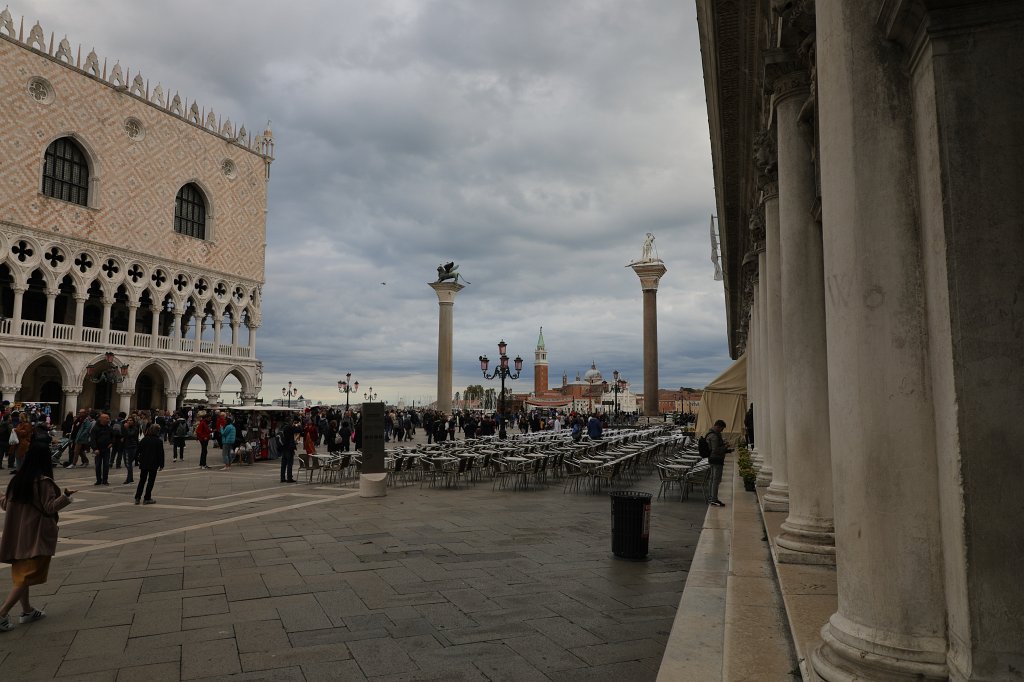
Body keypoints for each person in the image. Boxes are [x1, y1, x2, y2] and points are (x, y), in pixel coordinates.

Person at [0, 440, 75, 631]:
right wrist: (65, 497)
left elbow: (6, 504)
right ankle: (2, 614)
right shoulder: (43, 482)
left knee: (22, 575)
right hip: (36, 535)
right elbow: (50, 507)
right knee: (27, 576)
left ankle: (27, 611)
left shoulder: (17, 480)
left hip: (17, 536)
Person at [705, 419, 733, 507]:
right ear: (718, 426)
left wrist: (726, 449)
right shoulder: (714, 436)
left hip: (713, 459)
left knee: (713, 479)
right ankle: (713, 499)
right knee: (715, 480)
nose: (722, 430)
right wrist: (725, 447)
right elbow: (715, 450)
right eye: (722, 429)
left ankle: (711, 497)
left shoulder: (712, 434)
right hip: (716, 459)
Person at [134, 425, 164, 505]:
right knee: (151, 481)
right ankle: (147, 498)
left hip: (144, 463)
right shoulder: (159, 441)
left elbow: (137, 452)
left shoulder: (144, 440)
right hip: (154, 464)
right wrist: (161, 465)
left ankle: (137, 497)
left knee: (142, 480)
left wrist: (139, 460)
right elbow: (161, 454)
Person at [89, 413, 113, 486]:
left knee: (106, 465)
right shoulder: (95, 428)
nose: (108, 420)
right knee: (98, 465)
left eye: (108, 418)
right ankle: (98, 480)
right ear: (102, 419)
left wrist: (112, 443)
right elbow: (92, 439)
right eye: (107, 418)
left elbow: (113, 436)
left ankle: (105, 480)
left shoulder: (109, 427)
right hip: (98, 449)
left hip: (106, 449)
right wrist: (95, 448)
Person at [121, 416, 140, 485]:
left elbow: (130, 435)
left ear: (133, 422)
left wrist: (126, 428)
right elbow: (123, 435)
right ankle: (130, 478)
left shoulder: (134, 428)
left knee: (128, 463)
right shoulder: (126, 428)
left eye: (131, 420)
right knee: (128, 463)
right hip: (126, 446)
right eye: (128, 420)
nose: (129, 421)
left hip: (130, 447)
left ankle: (129, 479)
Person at [279, 418, 299, 483]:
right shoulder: (289, 427)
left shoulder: (282, 428)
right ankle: (289, 478)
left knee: (283, 464)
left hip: (283, 448)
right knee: (289, 463)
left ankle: (282, 478)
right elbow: (299, 430)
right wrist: (297, 425)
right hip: (289, 448)